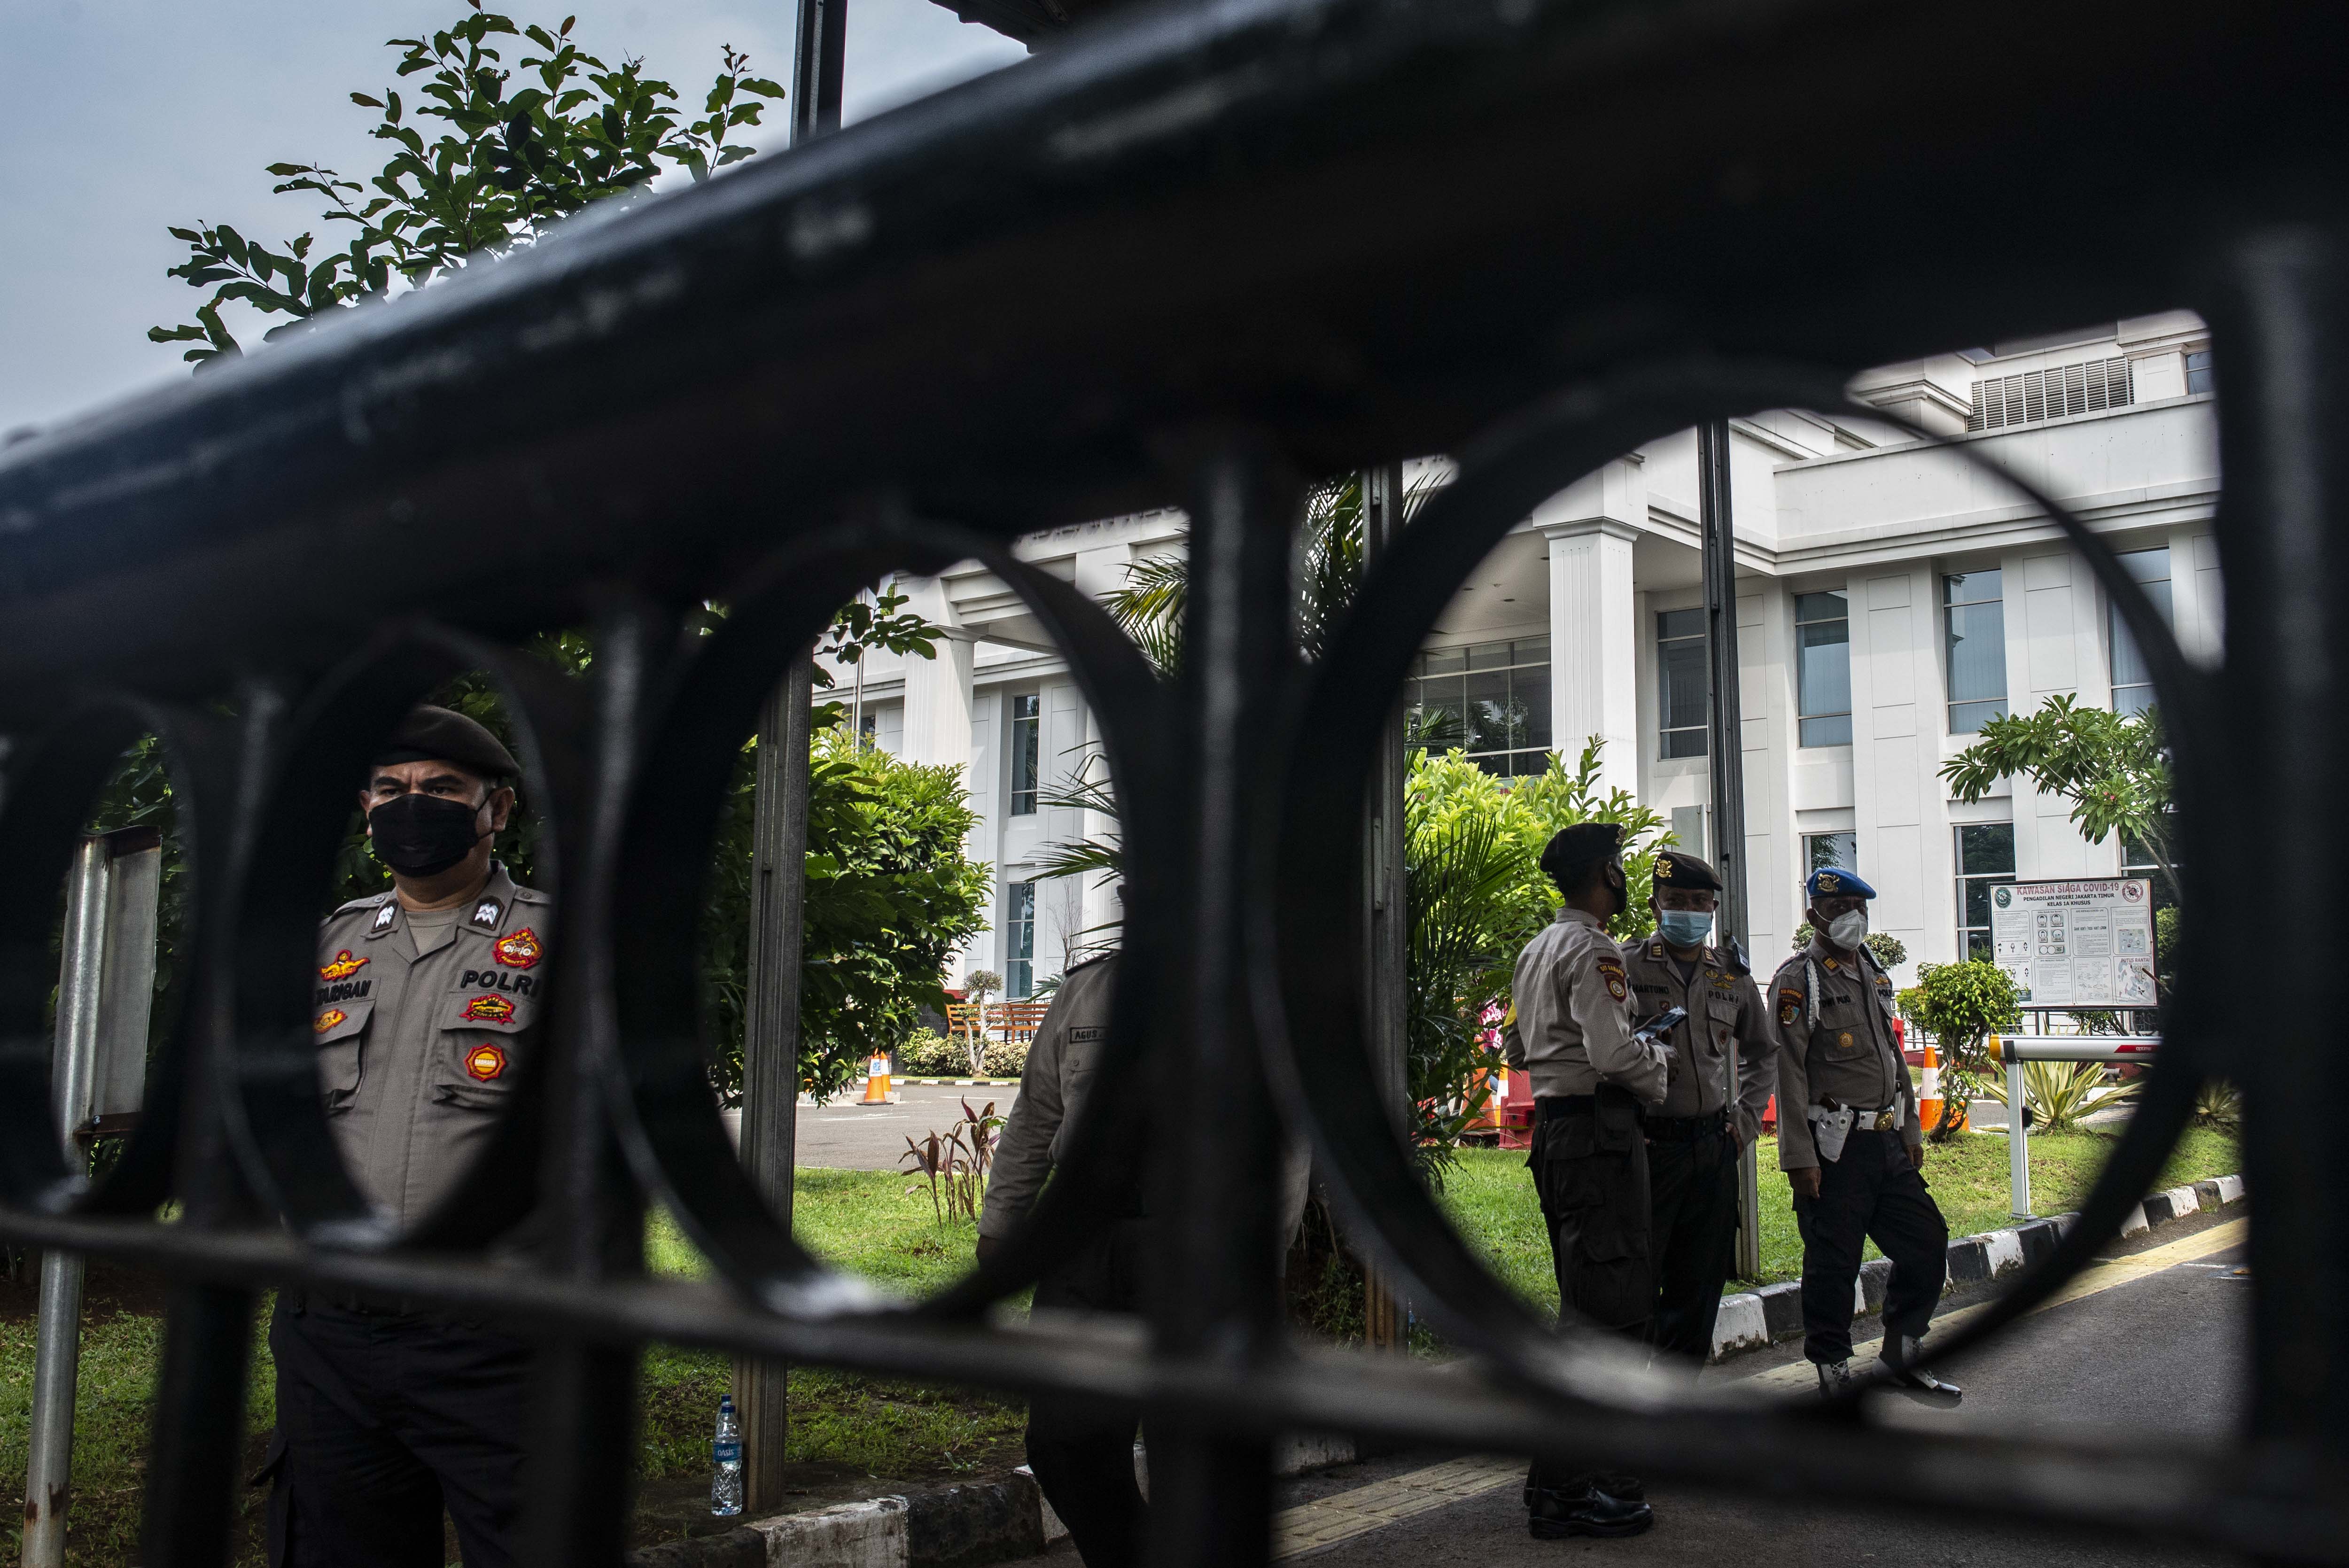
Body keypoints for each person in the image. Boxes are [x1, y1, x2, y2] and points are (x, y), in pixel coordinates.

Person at [265, 705, 546, 1568]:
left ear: (495, 808)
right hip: (332, 1335)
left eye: (441, 789)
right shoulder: (329, 948)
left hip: (493, 1335)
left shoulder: (560, 942)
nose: (411, 805)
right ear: (364, 805)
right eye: (391, 789)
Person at [977, 955, 1310, 1568]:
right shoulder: (1086, 992)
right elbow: (1036, 1113)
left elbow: (1284, 1131)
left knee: (1187, 1442)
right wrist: (1001, 1224)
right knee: (1063, 1441)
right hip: (1081, 1236)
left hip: (1196, 1239)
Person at [1501, 822, 1668, 1541]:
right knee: (1608, 1311)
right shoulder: (1596, 948)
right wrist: (1654, 1061)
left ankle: (1559, 1481)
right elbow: (1609, 1050)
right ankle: (1568, 1489)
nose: (1626, 878)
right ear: (1606, 872)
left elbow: (1514, 1043)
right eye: (1622, 867)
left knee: (1586, 1300)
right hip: (1600, 1137)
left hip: (1559, 1133)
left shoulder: (1538, 948)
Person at [1769, 867, 1961, 1402]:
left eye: (1859, 906)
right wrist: (1798, 1158)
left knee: (1926, 1241)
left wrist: (1910, 1130)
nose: (1852, 916)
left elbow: (1895, 1061)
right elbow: (1787, 1073)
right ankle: (1832, 1373)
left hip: (1884, 1142)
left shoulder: (1873, 973)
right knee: (1834, 1264)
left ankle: (1901, 1353)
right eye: (1839, 907)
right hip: (1833, 1149)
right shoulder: (1797, 979)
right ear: (1814, 915)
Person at [1620, 849, 1775, 1367]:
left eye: (1698, 901)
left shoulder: (1731, 975)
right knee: (1636, 1283)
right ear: (1654, 906)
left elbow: (1762, 1052)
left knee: (1699, 1286)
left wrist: (1745, 1122)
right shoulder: (1624, 965)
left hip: (1713, 1149)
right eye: (1675, 901)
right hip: (1647, 1150)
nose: (1688, 910)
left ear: (1711, 909)